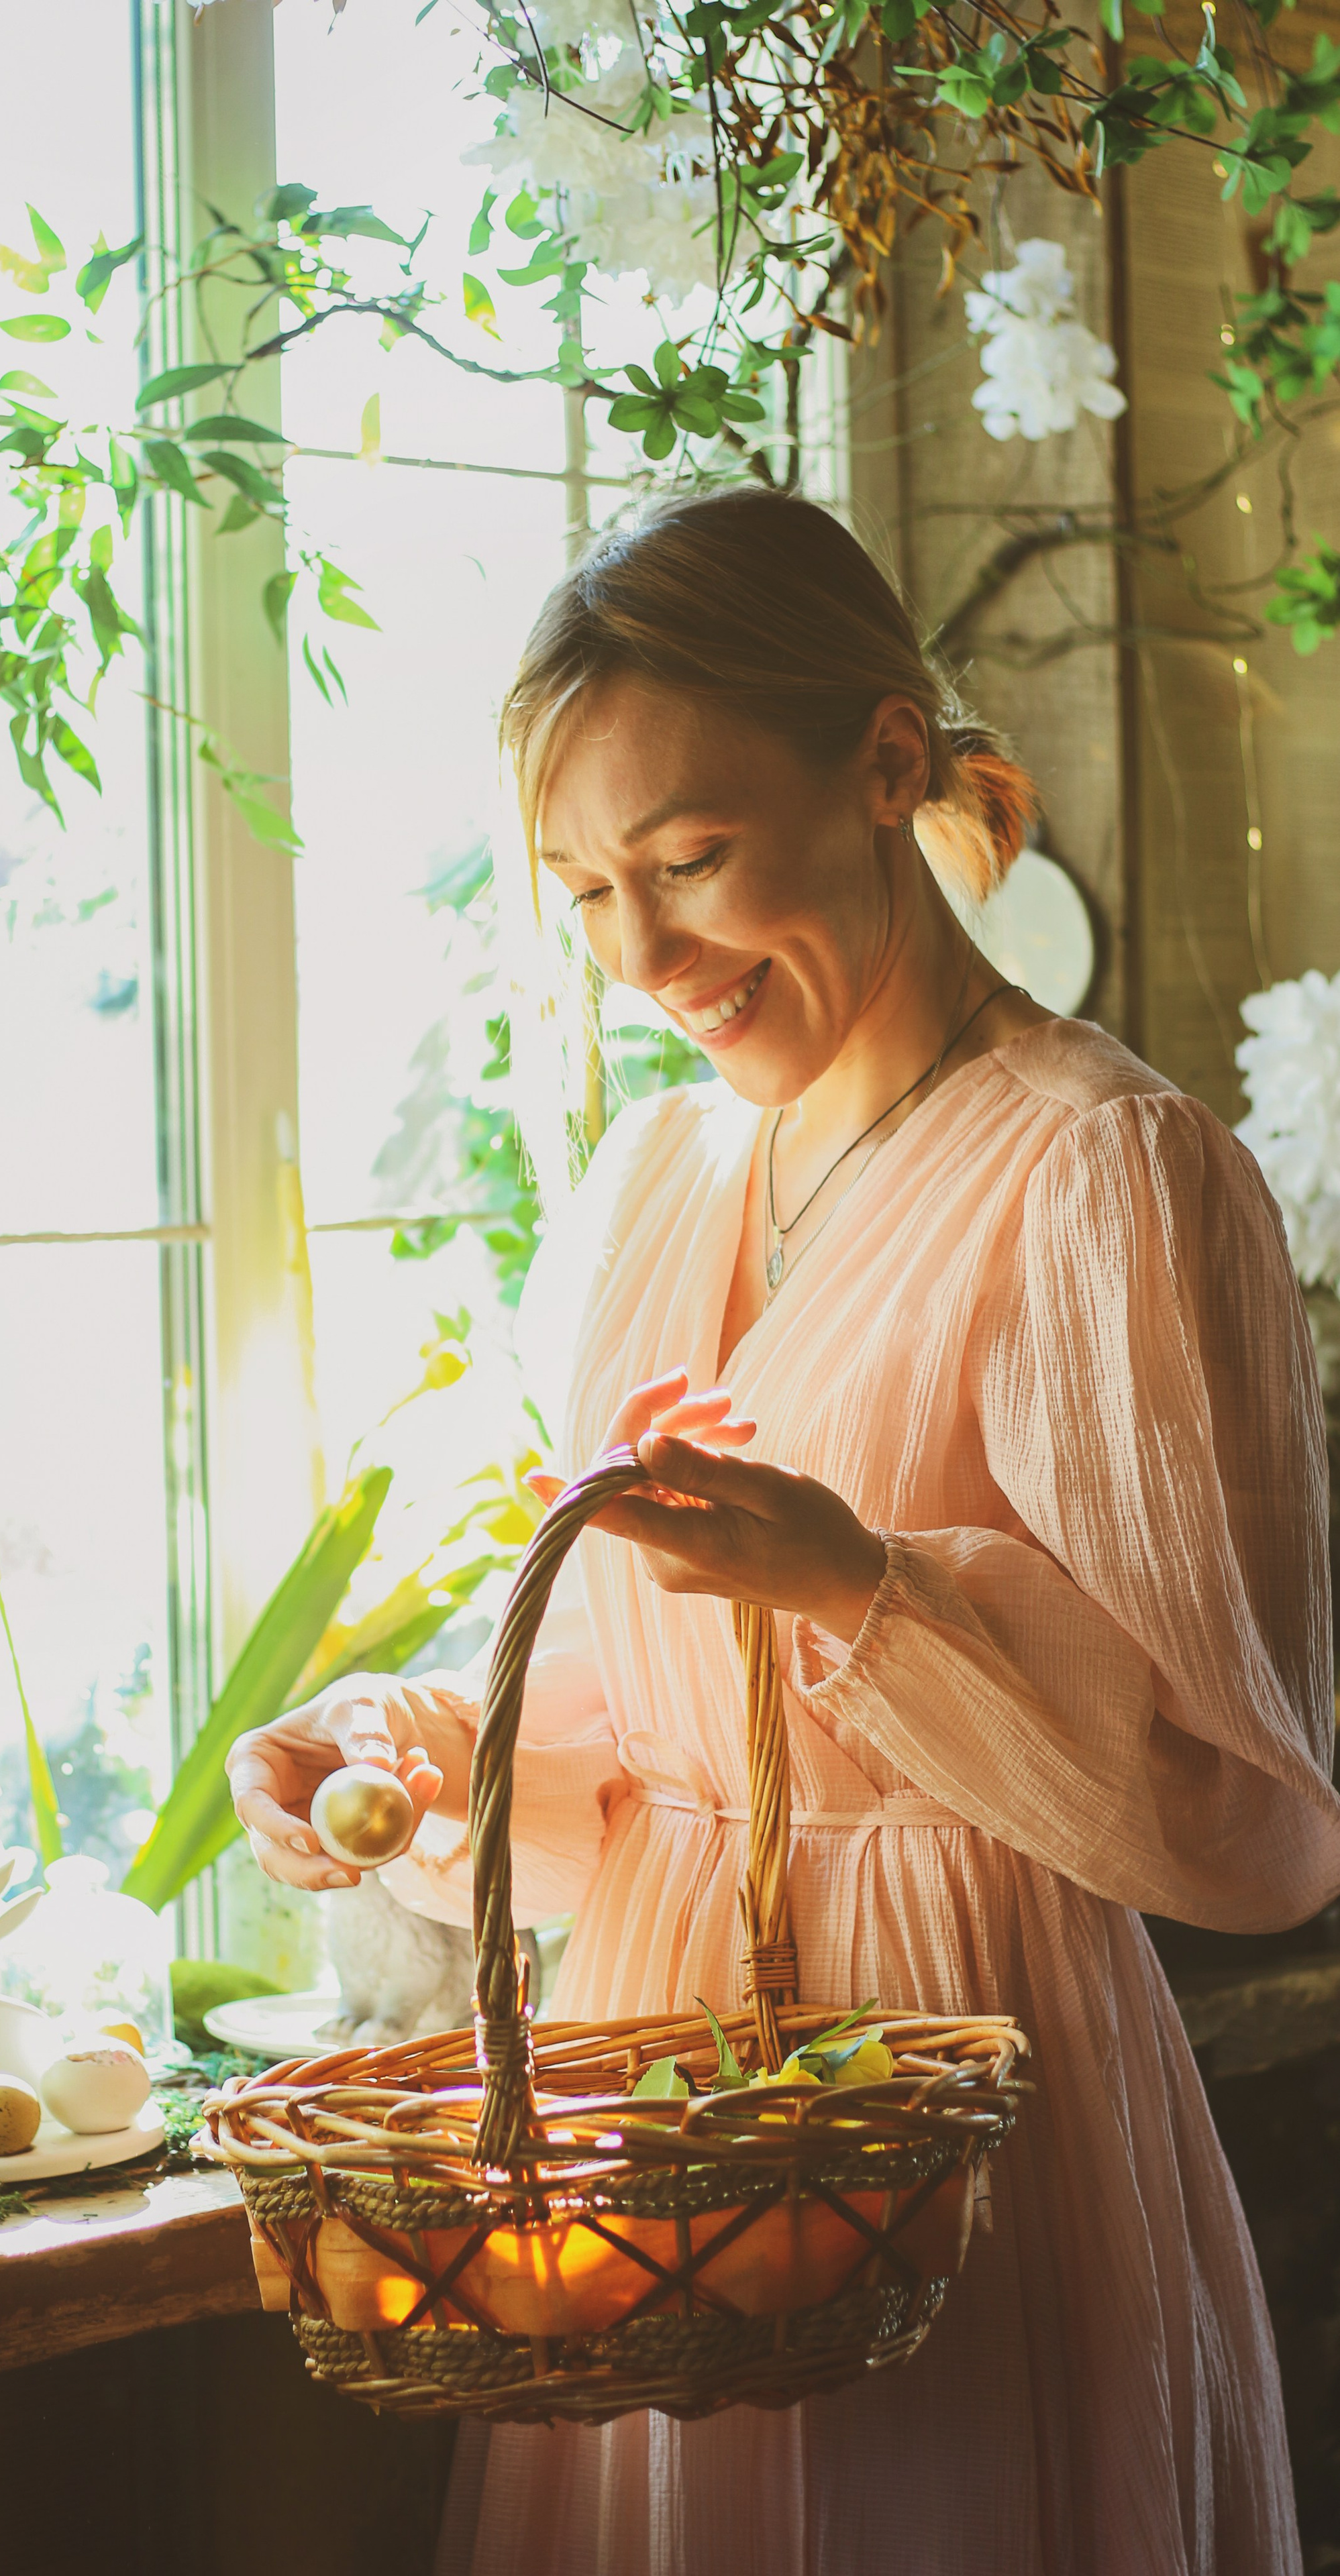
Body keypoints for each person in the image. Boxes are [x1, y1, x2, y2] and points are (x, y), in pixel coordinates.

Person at [226, 486, 1340, 2575]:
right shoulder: (654, 1180)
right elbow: (635, 1750)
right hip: (653, 2129)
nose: (644, 960)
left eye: (690, 862)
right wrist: (411, 1768)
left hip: (962, 2115)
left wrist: (864, 1590)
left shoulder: (1106, 1174)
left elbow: (1242, 1819)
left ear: (889, 765)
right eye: (582, 894)